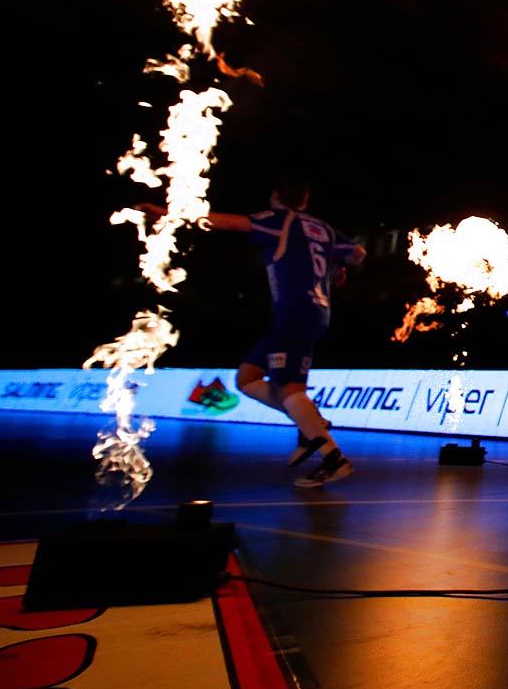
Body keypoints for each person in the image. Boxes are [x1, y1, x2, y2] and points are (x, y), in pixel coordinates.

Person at [139, 173, 366, 487]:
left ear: (275, 196)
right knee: (246, 378)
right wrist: (337, 268)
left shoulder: (277, 220)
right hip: (313, 311)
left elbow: (227, 222)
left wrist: (167, 214)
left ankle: (333, 459)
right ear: (305, 200)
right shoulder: (325, 229)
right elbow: (358, 254)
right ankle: (309, 421)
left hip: (295, 312)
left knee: (289, 389)